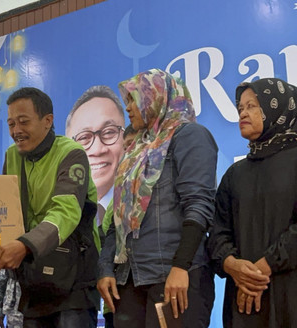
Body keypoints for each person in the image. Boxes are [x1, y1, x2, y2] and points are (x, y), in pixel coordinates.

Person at [97, 69, 217, 328]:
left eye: (133, 99)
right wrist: (106, 268)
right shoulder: (135, 150)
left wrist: (181, 266)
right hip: (129, 279)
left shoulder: (189, 136)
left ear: (155, 97)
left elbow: (198, 205)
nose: (127, 108)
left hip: (175, 275)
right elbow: (116, 219)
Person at [0, 87, 100, 327]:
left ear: (48, 121)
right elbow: (7, 217)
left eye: (23, 122)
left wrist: (24, 245)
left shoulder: (71, 153)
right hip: (33, 282)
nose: (16, 131)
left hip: (74, 282)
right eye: (11, 124)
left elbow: (66, 212)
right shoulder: (12, 156)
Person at [208, 77, 297, 327]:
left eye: (252, 106)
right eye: (240, 109)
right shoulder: (234, 174)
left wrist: (262, 269)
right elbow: (216, 234)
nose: (242, 114)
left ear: (276, 107)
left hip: (289, 297)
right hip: (244, 305)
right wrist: (233, 265)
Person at [65, 85, 125, 225]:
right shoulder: (59, 210)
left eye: (109, 132)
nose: (98, 150)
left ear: (126, 138)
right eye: (84, 137)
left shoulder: (141, 203)